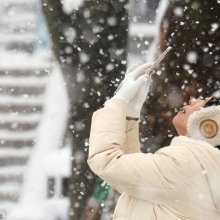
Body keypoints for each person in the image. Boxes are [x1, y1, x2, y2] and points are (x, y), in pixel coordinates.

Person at [87, 63, 220, 220]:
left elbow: (106, 160)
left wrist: (119, 100)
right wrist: (130, 114)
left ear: (210, 124)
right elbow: (132, 182)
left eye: (203, 101)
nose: (193, 100)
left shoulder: (187, 163)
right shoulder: (203, 167)